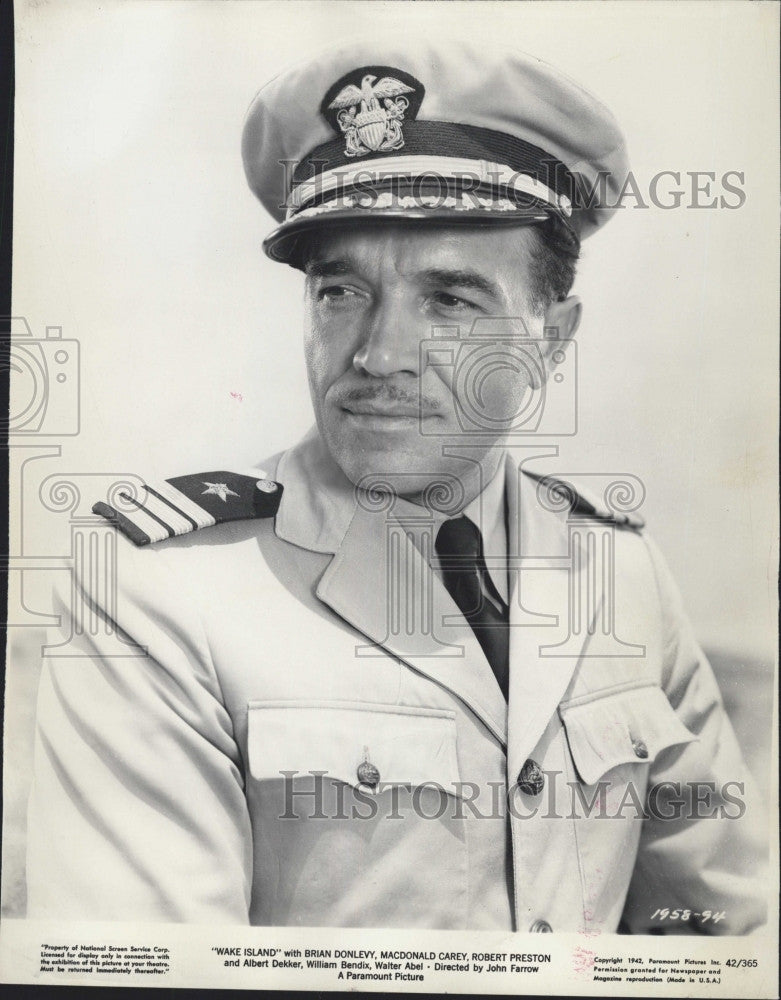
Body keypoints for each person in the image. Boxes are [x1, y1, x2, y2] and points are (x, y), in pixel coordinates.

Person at [26, 39, 766, 932]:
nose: (376, 356)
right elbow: (154, 973)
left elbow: (730, 936)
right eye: (340, 292)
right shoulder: (159, 586)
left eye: (449, 300)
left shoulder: (621, 573)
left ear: (551, 338)